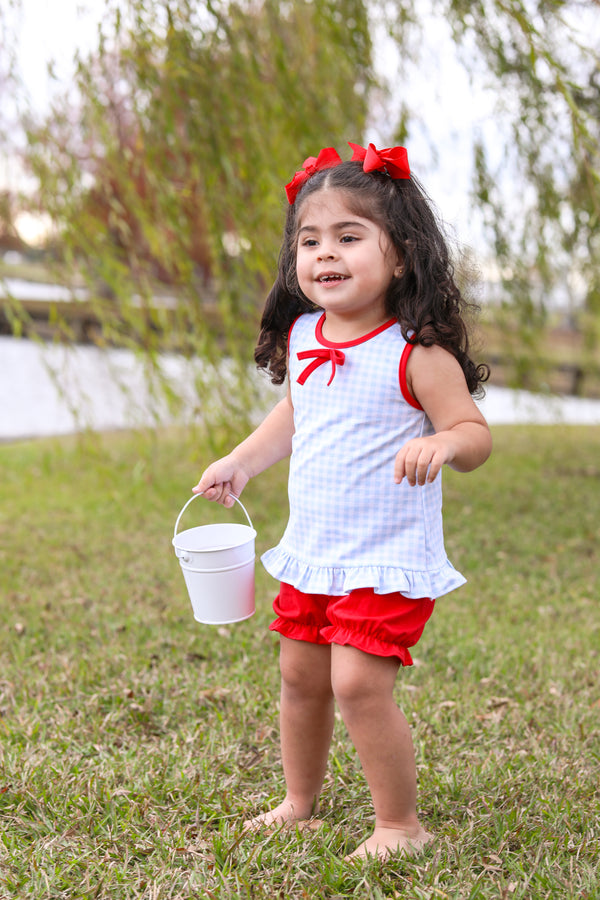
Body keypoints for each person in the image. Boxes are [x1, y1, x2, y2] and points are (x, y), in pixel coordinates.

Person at [193, 142, 492, 861]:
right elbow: (294, 420)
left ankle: (400, 826)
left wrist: (445, 443)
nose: (325, 253)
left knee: (357, 683)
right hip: (315, 549)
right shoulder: (304, 337)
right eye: (310, 239)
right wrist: (241, 462)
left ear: (401, 257)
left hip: (384, 556)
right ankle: (300, 800)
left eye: (349, 237)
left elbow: (475, 435)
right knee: (301, 677)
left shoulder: (417, 353)